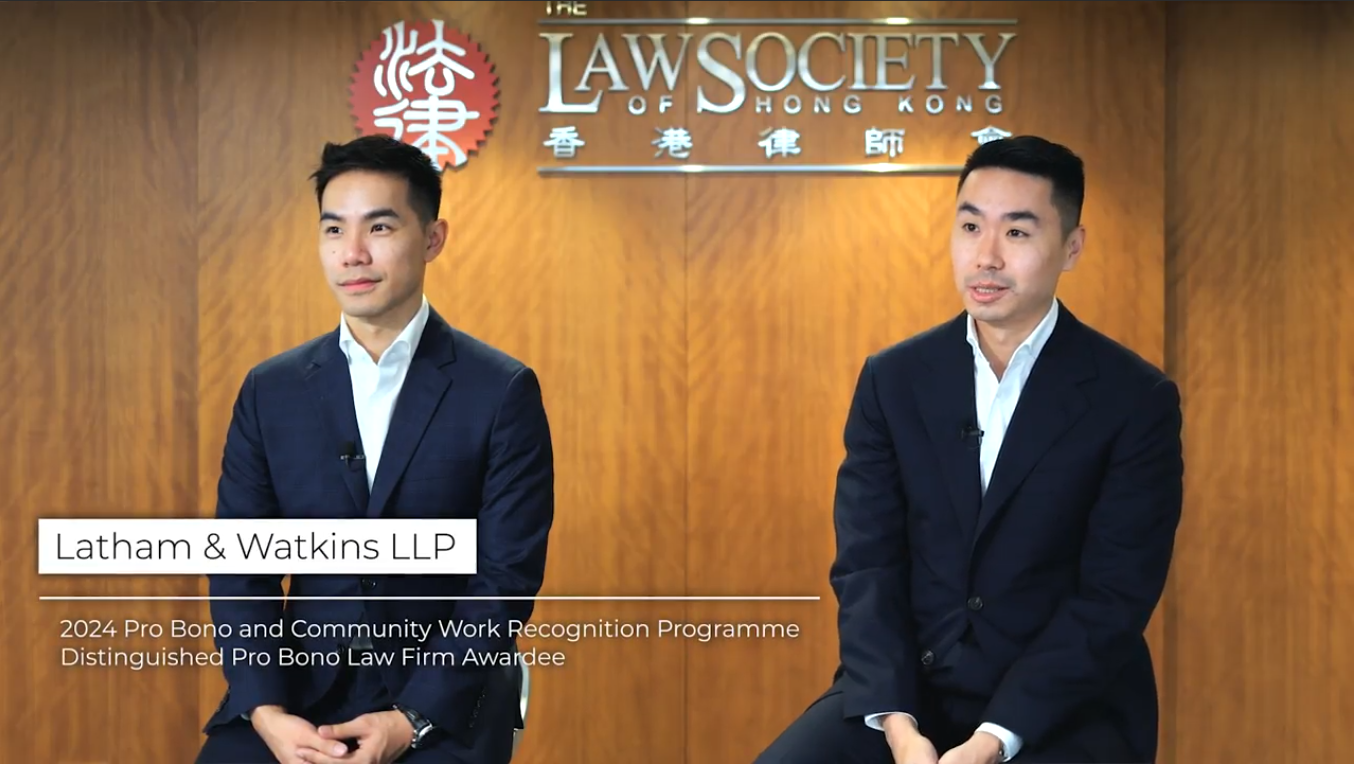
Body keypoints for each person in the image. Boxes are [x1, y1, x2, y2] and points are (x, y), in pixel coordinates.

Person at [754, 136, 1183, 764]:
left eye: (1017, 233)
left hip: (1060, 706)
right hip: (908, 693)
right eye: (971, 226)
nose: (986, 256)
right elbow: (867, 565)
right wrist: (899, 726)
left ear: (1072, 247)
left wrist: (991, 740)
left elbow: (1112, 598)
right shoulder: (893, 379)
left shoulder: (1134, 398)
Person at [196, 135, 555, 764]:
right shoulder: (271, 389)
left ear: (433, 238)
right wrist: (266, 710)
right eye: (334, 229)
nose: (352, 253)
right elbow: (239, 564)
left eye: (380, 227)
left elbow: (505, 576)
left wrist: (410, 721)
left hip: (440, 697)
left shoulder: (501, 390)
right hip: (297, 691)